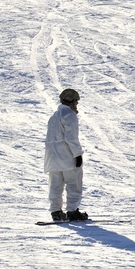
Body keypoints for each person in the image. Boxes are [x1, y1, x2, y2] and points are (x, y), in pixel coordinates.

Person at [45, 88, 87, 222]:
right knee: (74, 183)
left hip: (52, 158)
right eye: (76, 102)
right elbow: (71, 138)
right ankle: (72, 211)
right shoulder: (69, 115)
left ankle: (56, 211)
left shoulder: (53, 117)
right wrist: (78, 154)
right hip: (67, 156)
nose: (76, 105)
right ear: (71, 102)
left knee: (55, 185)